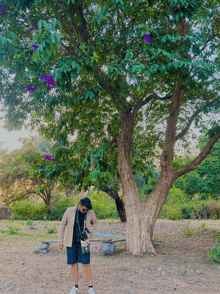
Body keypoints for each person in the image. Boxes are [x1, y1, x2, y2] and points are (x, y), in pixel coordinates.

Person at [58, 197, 98, 294]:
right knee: (73, 264)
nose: (85, 211)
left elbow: (95, 222)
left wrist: (90, 234)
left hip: (84, 242)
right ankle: (75, 286)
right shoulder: (69, 211)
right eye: (84, 209)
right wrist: (60, 240)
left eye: (87, 210)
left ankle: (91, 287)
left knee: (86, 264)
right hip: (71, 242)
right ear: (79, 205)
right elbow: (62, 225)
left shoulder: (90, 212)